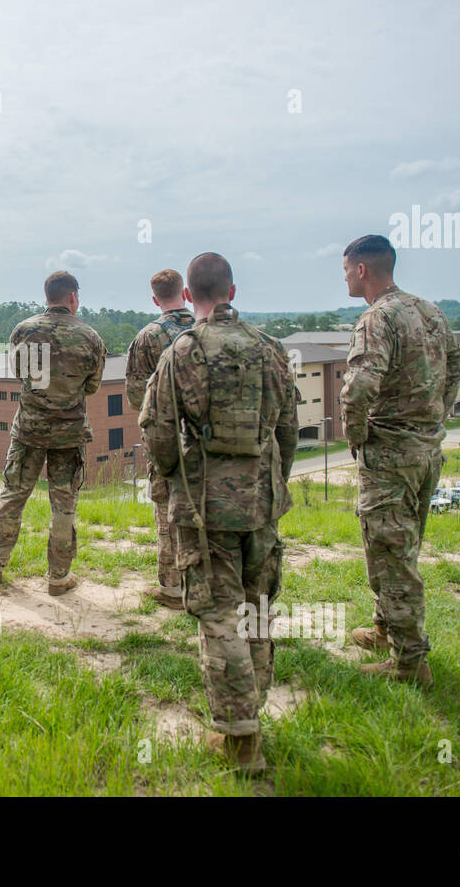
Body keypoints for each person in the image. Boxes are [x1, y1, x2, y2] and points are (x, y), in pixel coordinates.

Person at [140, 252, 297, 775]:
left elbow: (158, 428)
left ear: (190, 296)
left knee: (218, 615)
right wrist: (276, 478)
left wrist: (168, 474)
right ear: (234, 290)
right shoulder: (270, 348)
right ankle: (251, 714)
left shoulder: (182, 350)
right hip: (262, 500)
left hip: (206, 504)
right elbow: (290, 428)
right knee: (257, 609)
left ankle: (240, 740)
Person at [340, 235, 460, 688]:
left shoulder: (378, 318)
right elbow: (455, 363)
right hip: (426, 451)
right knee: (400, 546)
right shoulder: (427, 310)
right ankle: (384, 627)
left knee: (392, 557)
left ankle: (410, 663)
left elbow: (358, 388)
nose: (345, 277)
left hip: (390, 452)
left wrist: (356, 435)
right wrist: (436, 413)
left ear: (361, 270)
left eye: (346, 269)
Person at [0, 270, 106, 595]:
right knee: (64, 505)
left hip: (29, 430)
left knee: (13, 496)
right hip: (69, 434)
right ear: (73, 297)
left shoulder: (24, 330)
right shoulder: (90, 337)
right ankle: (59, 577)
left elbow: (19, 373)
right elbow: (92, 386)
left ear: (47, 296)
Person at [125, 268, 197, 610]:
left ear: (155, 299)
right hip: (207, 441)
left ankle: (171, 588)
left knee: (167, 513)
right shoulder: (206, 328)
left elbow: (135, 396)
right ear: (185, 292)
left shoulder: (147, 337)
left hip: (166, 440)